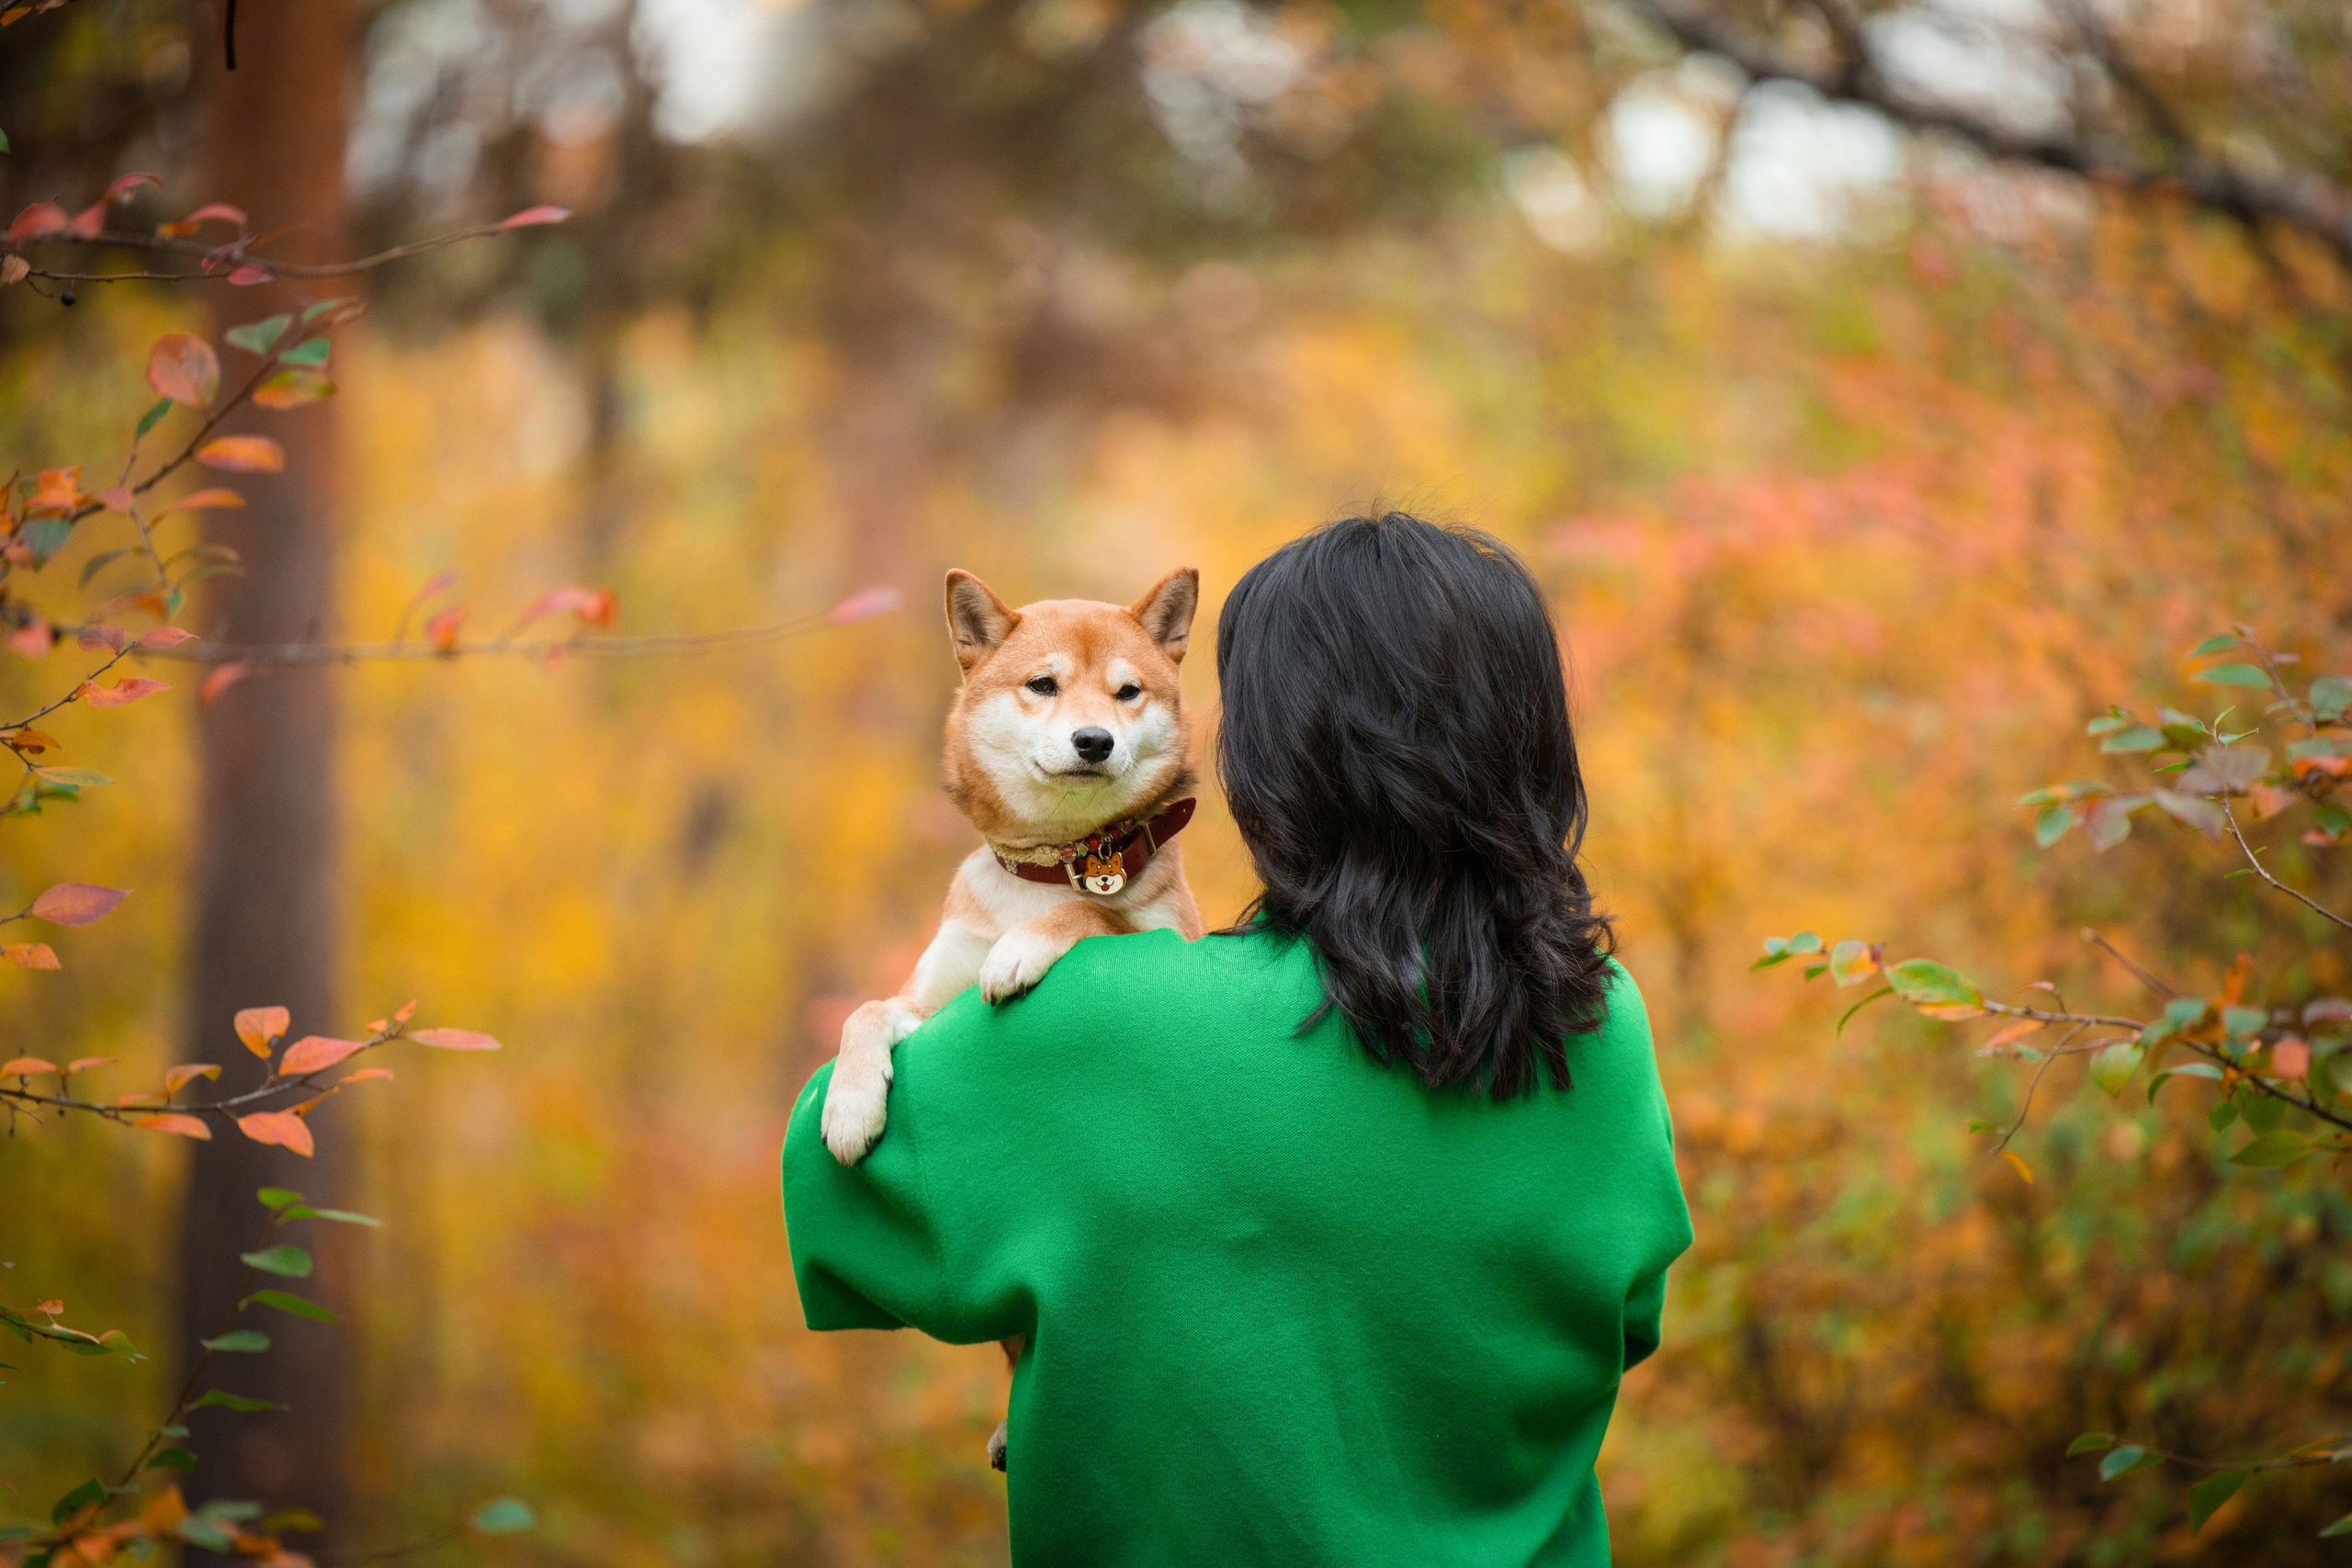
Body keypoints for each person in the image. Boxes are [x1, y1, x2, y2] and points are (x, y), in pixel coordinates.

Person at [782, 513, 1691, 1566]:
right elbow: (1621, 1325)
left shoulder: (1092, 1013)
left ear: (1271, 762)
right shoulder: (1596, 1020)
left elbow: (844, 1194)